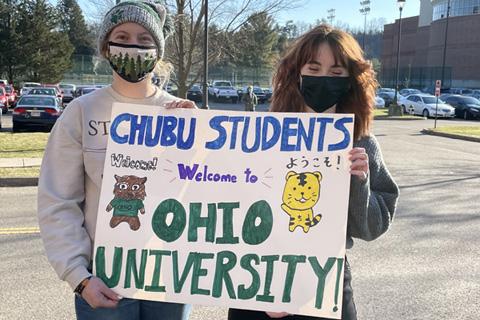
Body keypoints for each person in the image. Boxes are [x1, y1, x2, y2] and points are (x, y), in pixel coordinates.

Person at [228, 24, 400, 320]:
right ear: (297, 73)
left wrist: (360, 182)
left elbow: (371, 229)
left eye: (336, 73)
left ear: (350, 80)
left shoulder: (361, 141)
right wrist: (186, 126)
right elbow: (218, 193)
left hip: (325, 280)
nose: (324, 80)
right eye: (314, 68)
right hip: (258, 275)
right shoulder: (261, 135)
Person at [37, 1, 195, 319]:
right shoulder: (81, 112)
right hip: (104, 280)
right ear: (106, 48)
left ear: (158, 50)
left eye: (144, 39)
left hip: (168, 277)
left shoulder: (182, 112)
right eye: (122, 36)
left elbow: (203, 193)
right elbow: (58, 201)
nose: (133, 46)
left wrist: (197, 143)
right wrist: (79, 277)